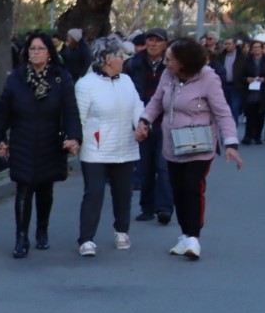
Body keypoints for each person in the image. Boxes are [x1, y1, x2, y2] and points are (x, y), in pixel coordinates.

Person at [138, 37, 242, 259]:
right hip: (172, 143)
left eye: (170, 59)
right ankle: (184, 235)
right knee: (177, 189)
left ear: (184, 62)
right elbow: (156, 102)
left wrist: (231, 142)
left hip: (199, 144)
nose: (165, 62)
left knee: (192, 188)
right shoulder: (168, 75)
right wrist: (144, 121)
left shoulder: (208, 78)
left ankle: (194, 237)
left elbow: (223, 112)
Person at [0, 32, 81, 258]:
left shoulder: (61, 77)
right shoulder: (17, 77)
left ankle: (42, 230)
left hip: (51, 139)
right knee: (23, 188)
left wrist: (73, 136)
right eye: (32, 49)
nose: (35, 53)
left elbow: (70, 110)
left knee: (45, 188)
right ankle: (21, 238)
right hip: (22, 138)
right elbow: (4, 110)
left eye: (40, 48)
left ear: (49, 53)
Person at [73, 36, 144, 256]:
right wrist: (75, 140)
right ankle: (86, 239)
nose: (124, 59)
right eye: (120, 55)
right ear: (106, 58)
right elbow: (80, 118)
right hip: (95, 150)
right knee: (94, 193)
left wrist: (142, 124)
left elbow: (137, 106)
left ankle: (122, 231)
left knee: (123, 193)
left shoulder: (126, 81)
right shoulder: (85, 85)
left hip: (125, 147)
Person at [125, 28, 175, 222]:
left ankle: (164, 208)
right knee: (145, 167)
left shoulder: (172, 65)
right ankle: (147, 207)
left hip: (165, 122)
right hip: (142, 121)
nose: (153, 44)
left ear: (165, 44)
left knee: (163, 167)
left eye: (157, 41)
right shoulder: (134, 64)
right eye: (150, 40)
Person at [242, 38, 265, 144]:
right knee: (250, 114)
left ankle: (258, 136)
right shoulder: (246, 61)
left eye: (258, 47)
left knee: (261, 114)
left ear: (262, 49)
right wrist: (247, 79)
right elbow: (241, 75)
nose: (256, 49)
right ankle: (248, 136)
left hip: (263, 90)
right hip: (250, 90)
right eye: (254, 47)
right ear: (251, 49)